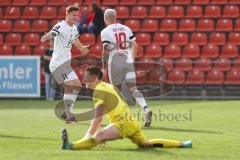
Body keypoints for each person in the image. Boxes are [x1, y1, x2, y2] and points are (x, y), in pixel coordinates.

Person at [61, 66, 192, 150]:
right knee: (145, 144)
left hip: (122, 123)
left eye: (87, 78)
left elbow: (98, 118)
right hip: (132, 122)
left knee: (98, 136)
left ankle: (70, 145)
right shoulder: (109, 86)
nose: (84, 80)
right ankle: (183, 144)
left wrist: (89, 135)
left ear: (96, 78)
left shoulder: (99, 91)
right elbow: (118, 105)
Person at [100, 9, 152, 127]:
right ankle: (145, 109)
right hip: (128, 61)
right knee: (133, 88)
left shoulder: (105, 31)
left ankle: (122, 117)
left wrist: (103, 65)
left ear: (106, 18)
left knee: (116, 90)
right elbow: (135, 45)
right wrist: (131, 59)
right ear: (116, 17)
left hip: (115, 61)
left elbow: (106, 50)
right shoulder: (126, 28)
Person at [40, 5, 89, 123]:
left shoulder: (74, 28)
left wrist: (81, 47)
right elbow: (53, 33)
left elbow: (75, 40)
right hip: (57, 63)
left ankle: (66, 111)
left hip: (66, 64)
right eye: (74, 15)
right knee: (69, 86)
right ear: (67, 14)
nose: (76, 17)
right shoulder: (60, 25)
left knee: (77, 85)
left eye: (77, 15)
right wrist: (47, 37)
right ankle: (69, 115)